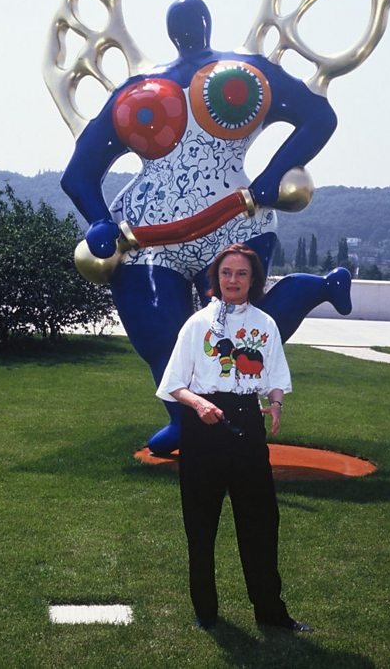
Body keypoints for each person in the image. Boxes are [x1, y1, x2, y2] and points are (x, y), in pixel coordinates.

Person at [61, 0, 350, 455]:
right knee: (159, 335)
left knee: (237, 328)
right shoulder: (143, 87)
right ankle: (185, 418)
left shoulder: (244, 72)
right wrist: (99, 221)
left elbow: (319, 117)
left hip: (234, 223)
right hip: (148, 236)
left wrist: (275, 175)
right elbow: (78, 172)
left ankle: (310, 290)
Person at [156, 243, 313, 632]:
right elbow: (174, 384)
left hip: (246, 424)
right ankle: (206, 614)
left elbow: (275, 377)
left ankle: (271, 614)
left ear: (253, 280)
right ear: (216, 278)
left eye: (241, 274)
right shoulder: (196, 325)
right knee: (201, 522)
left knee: (261, 521)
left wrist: (276, 403)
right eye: (227, 273)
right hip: (203, 426)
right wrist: (199, 405)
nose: (233, 280)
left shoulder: (265, 324)